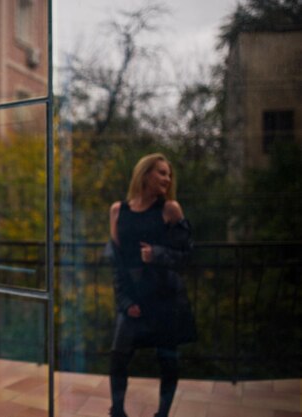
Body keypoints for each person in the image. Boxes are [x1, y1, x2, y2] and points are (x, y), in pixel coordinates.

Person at [107, 153, 195, 417]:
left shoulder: (170, 209)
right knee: (118, 356)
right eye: (161, 173)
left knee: (167, 358)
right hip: (133, 294)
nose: (167, 179)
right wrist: (125, 301)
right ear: (145, 174)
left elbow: (188, 257)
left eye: (169, 174)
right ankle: (118, 412)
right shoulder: (117, 210)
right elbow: (116, 262)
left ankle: (162, 414)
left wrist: (157, 254)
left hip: (164, 296)